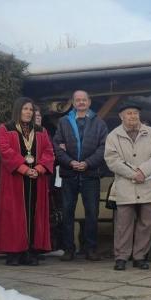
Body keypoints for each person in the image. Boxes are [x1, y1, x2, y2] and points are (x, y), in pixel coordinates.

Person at [104, 102, 151, 271]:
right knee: (123, 223)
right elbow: (112, 160)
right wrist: (133, 174)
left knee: (146, 222)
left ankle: (140, 256)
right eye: (129, 113)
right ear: (121, 116)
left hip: (149, 183)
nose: (132, 116)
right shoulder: (113, 136)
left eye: (135, 113)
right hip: (125, 184)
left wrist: (142, 172)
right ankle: (121, 257)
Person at [0, 97, 55, 266]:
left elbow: (49, 152)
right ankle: (14, 253)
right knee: (14, 215)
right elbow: (4, 150)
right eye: (25, 109)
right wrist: (24, 169)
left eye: (31, 109)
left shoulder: (41, 130)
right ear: (18, 110)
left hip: (37, 178)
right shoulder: (5, 129)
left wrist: (39, 169)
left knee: (33, 215)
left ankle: (30, 251)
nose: (28, 112)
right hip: (15, 180)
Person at [53, 90, 109, 262]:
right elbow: (56, 146)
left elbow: (104, 147)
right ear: (73, 103)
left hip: (91, 174)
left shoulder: (99, 123)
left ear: (89, 102)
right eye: (78, 100)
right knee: (67, 212)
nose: (81, 102)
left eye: (84, 100)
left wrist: (88, 163)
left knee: (92, 213)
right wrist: (70, 162)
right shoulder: (63, 122)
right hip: (69, 174)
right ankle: (68, 249)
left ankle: (90, 249)